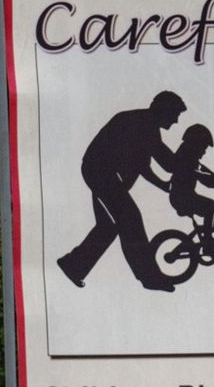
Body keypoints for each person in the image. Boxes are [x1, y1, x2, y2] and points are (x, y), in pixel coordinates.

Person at [56, 90, 187, 292]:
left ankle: (73, 265)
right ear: (165, 111)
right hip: (101, 173)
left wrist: (165, 183)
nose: (177, 121)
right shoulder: (144, 125)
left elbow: (144, 166)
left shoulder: (145, 124)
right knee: (130, 218)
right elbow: (167, 162)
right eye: (176, 114)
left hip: (102, 173)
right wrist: (190, 158)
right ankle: (150, 277)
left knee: (108, 225)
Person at [167, 124, 214, 257]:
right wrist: (209, 179)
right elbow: (193, 172)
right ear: (195, 144)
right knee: (210, 206)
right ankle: (208, 244)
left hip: (185, 196)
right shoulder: (184, 155)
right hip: (180, 197)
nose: (204, 152)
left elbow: (202, 169)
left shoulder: (191, 157)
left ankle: (206, 236)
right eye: (203, 147)